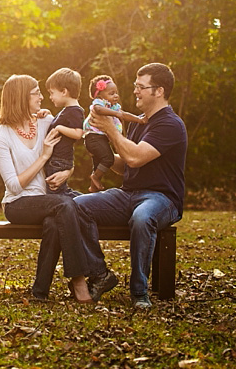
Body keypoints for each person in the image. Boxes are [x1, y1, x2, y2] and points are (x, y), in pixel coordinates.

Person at [74, 63, 188, 309]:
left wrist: (110, 132)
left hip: (162, 199)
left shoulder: (170, 124)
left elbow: (136, 157)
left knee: (142, 217)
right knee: (76, 206)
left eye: (141, 87)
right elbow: (127, 165)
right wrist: (100, 156)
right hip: (129, 194)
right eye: (136, 86)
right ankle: (100, 274)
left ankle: (139, 293)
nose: (135, 91)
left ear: (159, 91)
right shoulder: (138, 122)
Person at [0, 74, 95, 302]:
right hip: (18, 205)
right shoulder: (0, 136)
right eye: (36, 92)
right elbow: (14, 185)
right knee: (65, 204)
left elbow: (67, 159)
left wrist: (67, 172)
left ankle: (40, 292)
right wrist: (44, 155)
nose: (41, 96)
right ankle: (80, 280)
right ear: (20, 97)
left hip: (49, 202)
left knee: (55, 221)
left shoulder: (48, 122)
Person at [83, 75, 145, 193]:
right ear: (100, 95)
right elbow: (98, 110)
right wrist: (115, 114)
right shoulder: (99, 103)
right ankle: (95, 177)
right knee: (108, 159)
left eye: (116, 92)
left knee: (98, 163)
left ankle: (93, 186)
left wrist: (139, 120)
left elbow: (124, 114)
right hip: (93, 137)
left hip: (100, 138)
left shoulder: (113, 107)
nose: (116, 95)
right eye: (111, 93)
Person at [43, 67, 85, 197]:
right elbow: (60, 122)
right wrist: (48, 114)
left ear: (64, 92)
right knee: (59, 192)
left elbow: (78, 133)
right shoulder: (67, 110)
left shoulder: (75, 110)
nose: (50, 97)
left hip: (60, 160)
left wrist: (59, 128)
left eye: (52, 93)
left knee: (57, 193)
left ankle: (85, 203)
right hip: (56, 159)